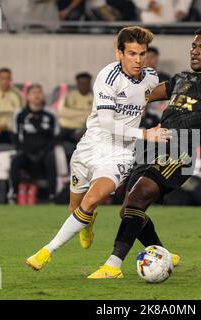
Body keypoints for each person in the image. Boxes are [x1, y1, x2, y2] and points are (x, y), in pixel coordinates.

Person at [88, 26, 201, 279]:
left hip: (182, 145)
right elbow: (142, 96)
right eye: (193, 46)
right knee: (128, 209)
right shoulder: (181, 78)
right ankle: (162, 253)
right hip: (153, 140)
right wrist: (110, 96)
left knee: (138, 197)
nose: (195, 51)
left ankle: (112, 266)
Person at [26, 26, 172, 271]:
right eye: (132, 53)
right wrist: (146, 134)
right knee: (76, 208)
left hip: (120, 153)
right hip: (91, 146)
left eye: (142, 54)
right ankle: (87, 222)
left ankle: (46, 251)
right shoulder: (108, 77)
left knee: (93, 199)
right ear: (119, 53)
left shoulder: (151, 77)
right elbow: (106, 123)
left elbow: (149, 95)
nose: (138, 60)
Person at [10, 84, 59, 202]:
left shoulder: (51, 114)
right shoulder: (20, 114)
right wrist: (24, 151)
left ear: (43, 96)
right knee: (15, 161)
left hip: (44, 151)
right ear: (27, 96)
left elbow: (55, 136)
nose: (37, 95)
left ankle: (52, 194)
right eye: (33, 93)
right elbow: (15, 136)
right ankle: (14, 194)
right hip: (26, 152)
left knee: (51, 159)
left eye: (39, 92)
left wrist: (44, 152)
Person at [57, 72, 94, 157]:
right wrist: (85, 113)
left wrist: (74, 114)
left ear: (90, 84)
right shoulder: (69, 96)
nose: (84, 86)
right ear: (77, 84)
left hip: (87, 130)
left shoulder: (95, 97)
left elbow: (95, 116)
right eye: (81, 83)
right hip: (67, 128)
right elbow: (62, 112)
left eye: (86, 83)